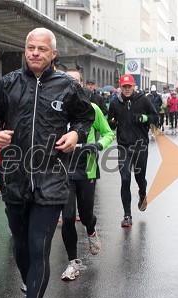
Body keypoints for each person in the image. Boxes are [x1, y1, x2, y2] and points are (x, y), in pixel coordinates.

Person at [0, 27, 94, 298]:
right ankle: (30, 286)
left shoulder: (68, 87)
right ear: (24, 50)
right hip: (14, 177)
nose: (35, 53)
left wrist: (75, 134)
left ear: (53, 54)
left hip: (52, 177)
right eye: (30, 48)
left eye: (42, 49)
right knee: (21, 244)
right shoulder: (7, 85)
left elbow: (85, 118)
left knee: (39, 244)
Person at [60, 69, 114, 281]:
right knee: (68, 216)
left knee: (86, 214)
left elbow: (109, 132)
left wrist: (97, 144)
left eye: (76, 82)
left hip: (86, 168)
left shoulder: (92, 109)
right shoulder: (57, 109)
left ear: (81, 85)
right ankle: (72, 263)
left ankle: (91, 229)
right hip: (63, 169)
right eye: (67, 81)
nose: (72, 85)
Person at [108, 74, 158, 227]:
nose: (127, 89)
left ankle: (142, 192)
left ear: (134, 86)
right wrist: (112, 122)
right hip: (123, 146)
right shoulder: (115, 103)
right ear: (120, 87)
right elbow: (110, 124)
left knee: (139, 177)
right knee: (125, 179)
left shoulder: (143, 100)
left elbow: (156, 118)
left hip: (140, 146)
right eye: (124, 86)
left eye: (129, 86)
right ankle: (127, 215)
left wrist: (144, 118)